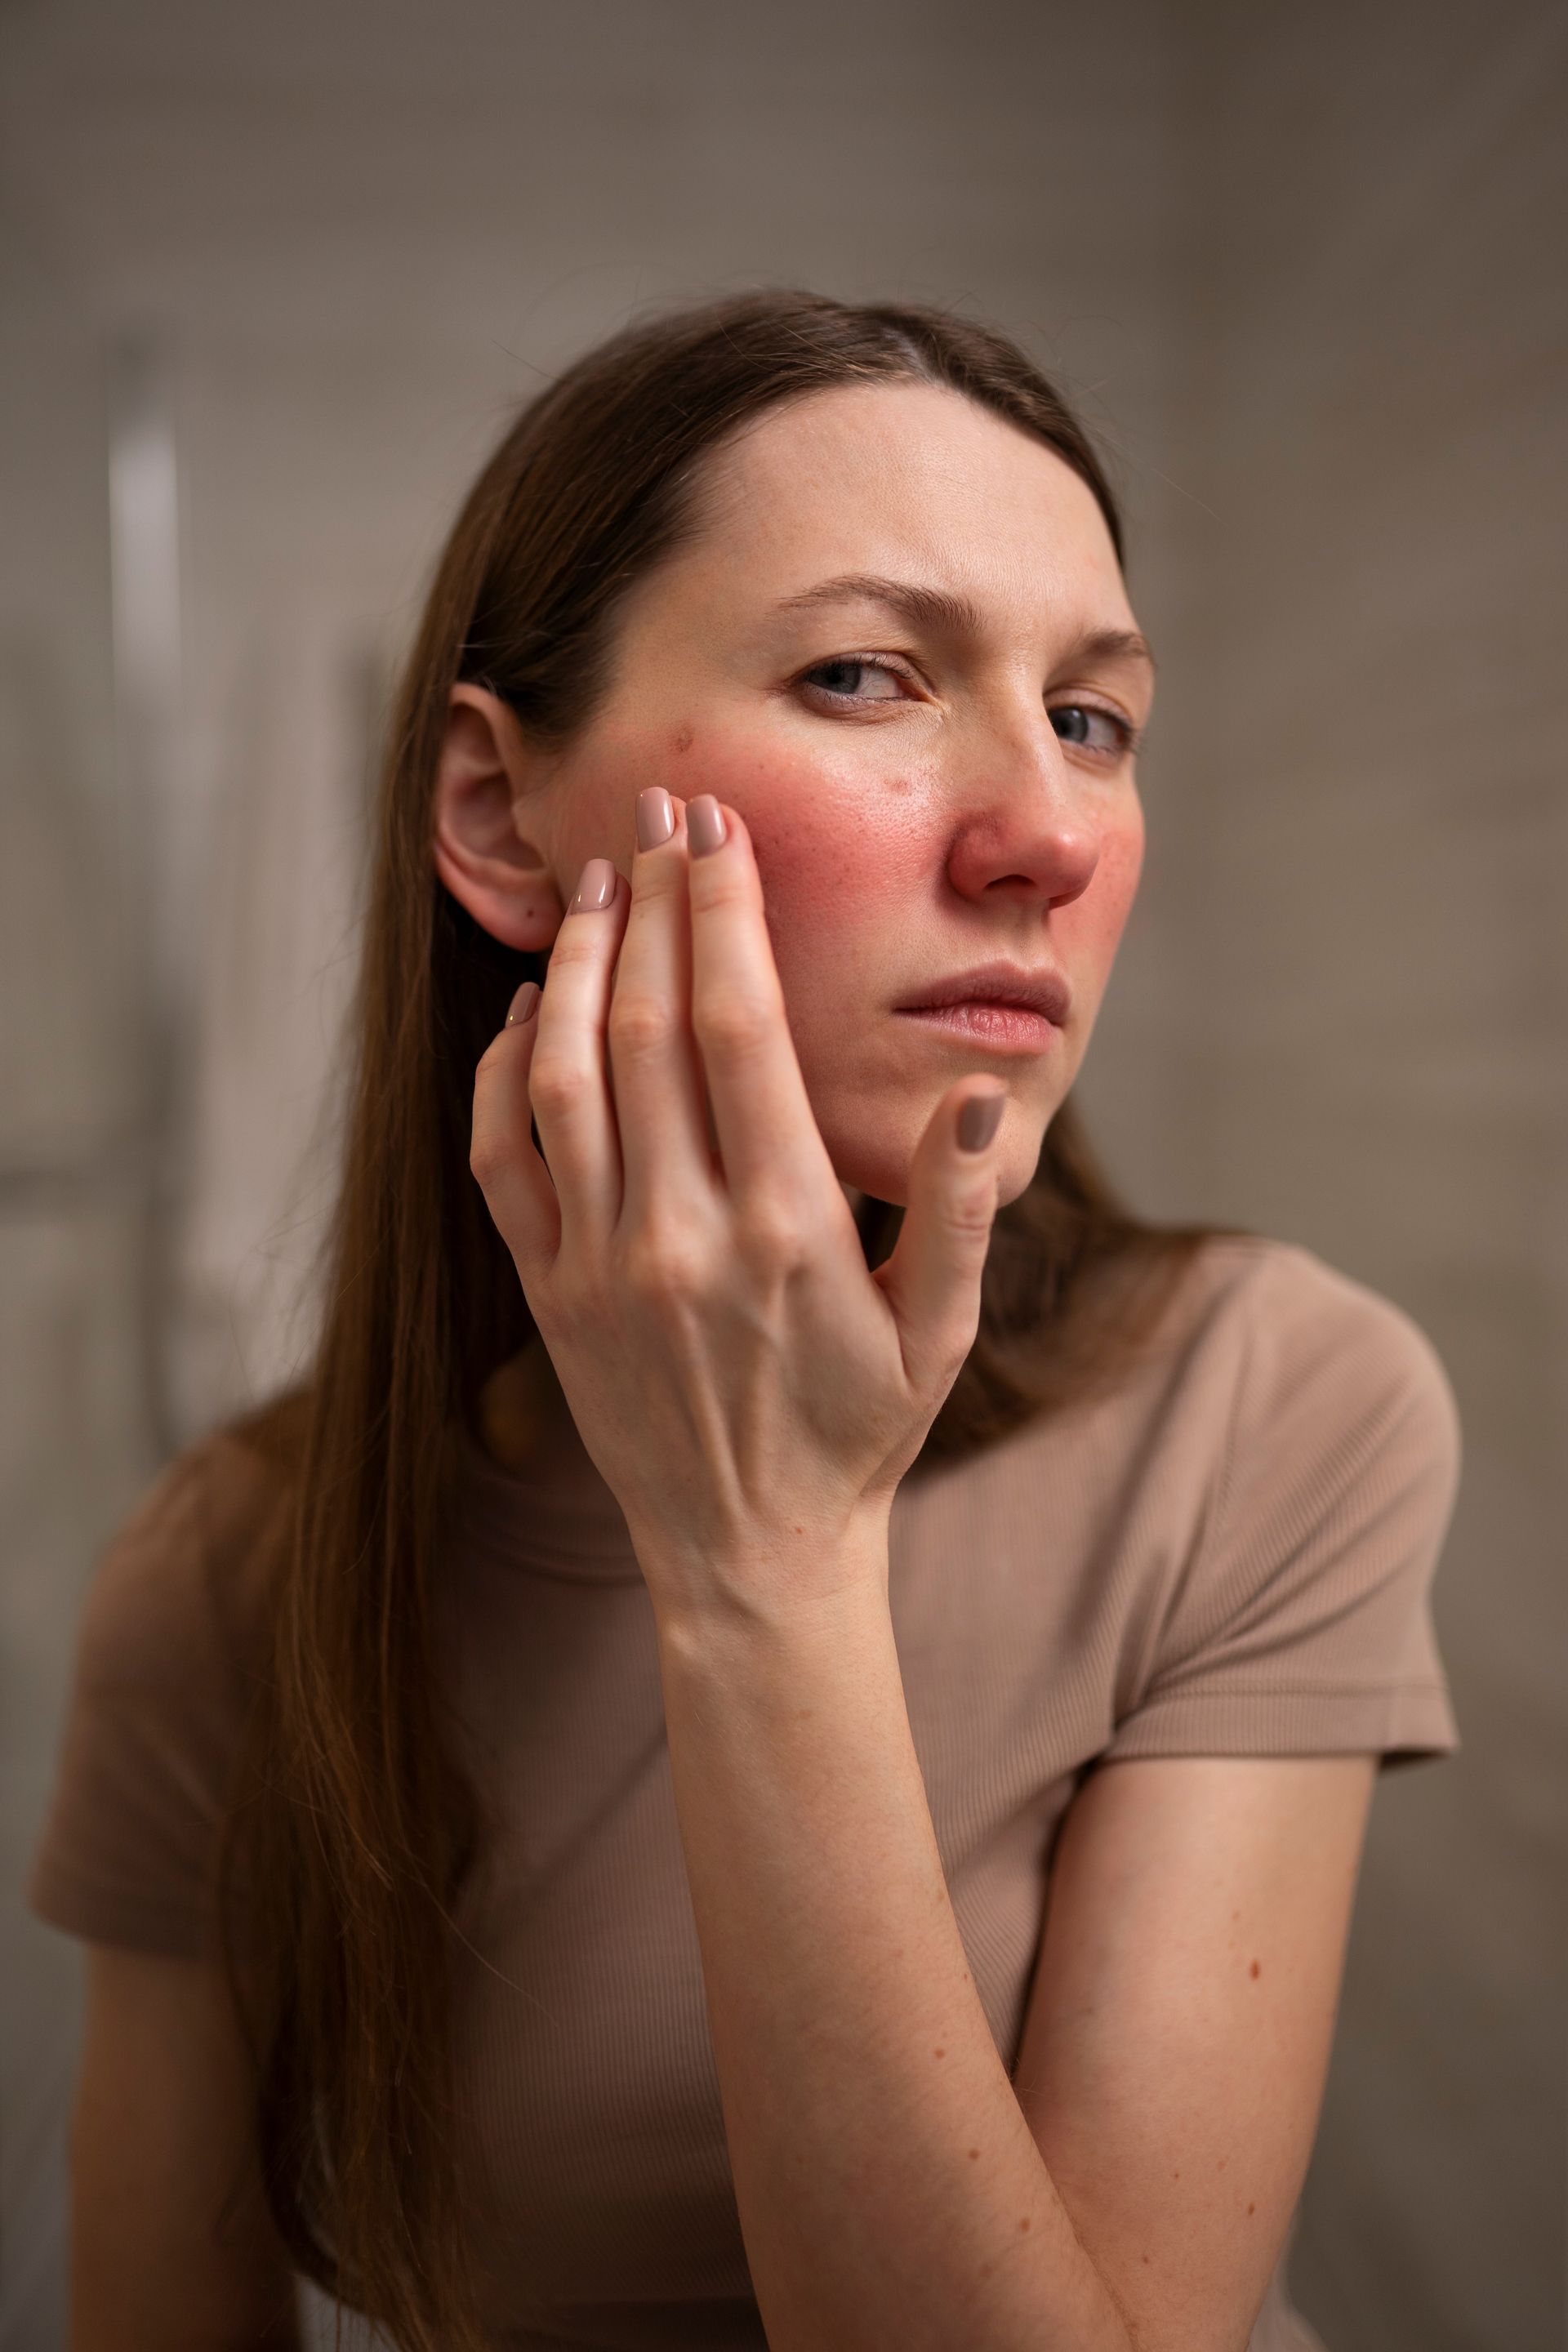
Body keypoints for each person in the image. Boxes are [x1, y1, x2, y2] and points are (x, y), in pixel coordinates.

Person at [29, 292, 1459, 2352]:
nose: (1048, 835)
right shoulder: (228, 1588)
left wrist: (765, 1566)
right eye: (867, 675)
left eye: (1092, 716)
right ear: (501, 817)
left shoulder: (1269, 1406)